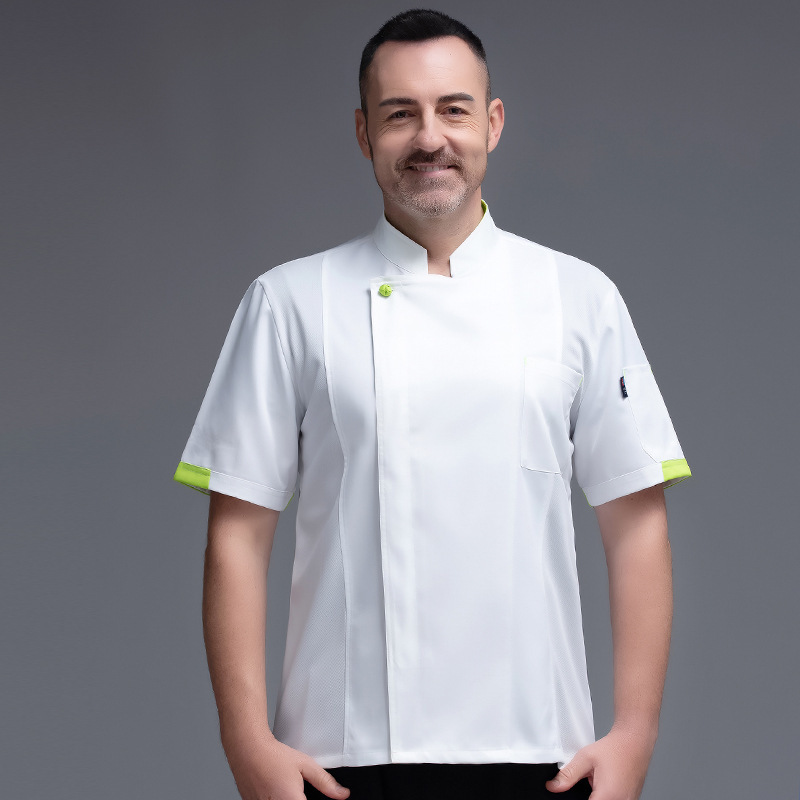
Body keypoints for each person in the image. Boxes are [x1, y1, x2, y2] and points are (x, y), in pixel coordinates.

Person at [173, 9, 691, 800]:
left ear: (493, 123)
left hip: (544, 754)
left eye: (453, 109)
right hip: (341, 759)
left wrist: (635, 733)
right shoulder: (288, 302)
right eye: (399, 114)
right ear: (362, 132)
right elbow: (237, 537)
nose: (429, 138)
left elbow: (636, 523)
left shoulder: (579, 297)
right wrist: (246, 742)